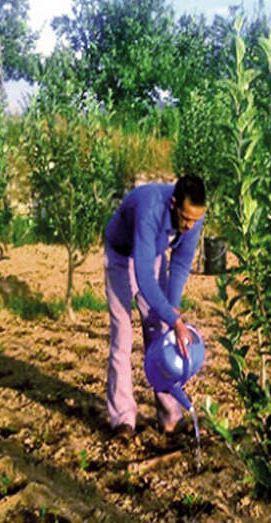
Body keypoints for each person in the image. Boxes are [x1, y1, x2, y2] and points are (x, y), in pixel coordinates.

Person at [103, 174, 207, 441]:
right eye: (185, 219)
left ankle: (170, 416)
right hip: (121, 255)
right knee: (123, 335)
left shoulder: (194, 217)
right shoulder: (150, 206)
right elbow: (145, 277)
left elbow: (181, 265)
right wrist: (177, 321)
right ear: (173, 204)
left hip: (153, 255)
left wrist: (172, 313)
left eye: (195, 220)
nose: (190, 225)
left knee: (161, 332)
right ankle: (123, 419)